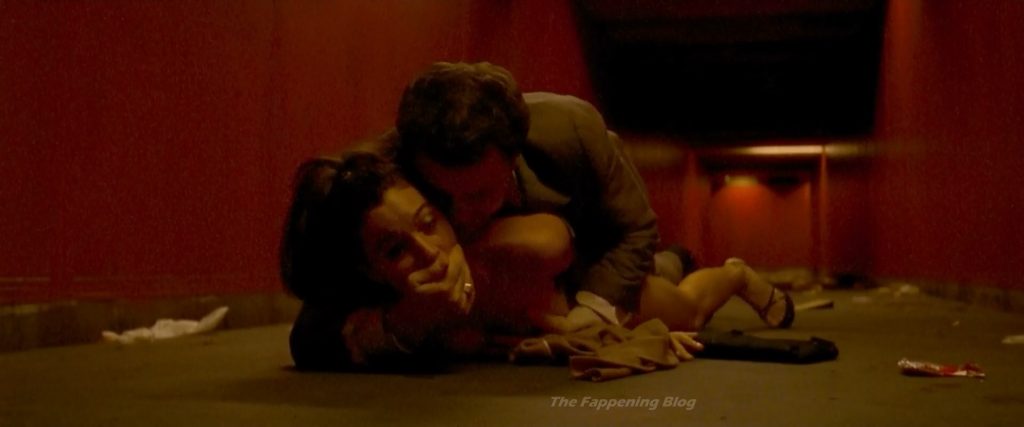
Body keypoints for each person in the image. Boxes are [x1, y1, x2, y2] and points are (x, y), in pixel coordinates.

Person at [281, 150, 794, 371]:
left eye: (428, 222)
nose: (430, 253)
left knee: (685, 309)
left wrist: (481, 275)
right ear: (366, 270)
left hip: (580, 278)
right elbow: (310, 338)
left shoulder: (494, 238)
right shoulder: (368, 302)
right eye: (395, 251)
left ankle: (733, 273)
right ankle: (673, 259)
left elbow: (552, 242)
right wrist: (413, 319)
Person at [393, 62, 662, 326]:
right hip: (516, 283)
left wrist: (591, 315)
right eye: (440, 196)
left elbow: (636, 230)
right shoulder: (395, 163)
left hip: (601, 259)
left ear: (513, 158)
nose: (459, 214)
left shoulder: (572, 130)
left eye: (477, 195)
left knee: (666, 284)